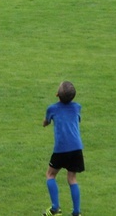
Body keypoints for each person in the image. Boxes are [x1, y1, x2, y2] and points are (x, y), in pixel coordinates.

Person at [42, 81, 84, 216]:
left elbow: (46, 121)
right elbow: (77, 119)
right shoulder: (77, 107)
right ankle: (76, 212)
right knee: (72, 179)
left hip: (61, 149)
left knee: (50, 174)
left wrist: (45, 122)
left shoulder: (52, 109)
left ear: (57, 95)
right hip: (76, 148)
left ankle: (55, 209)